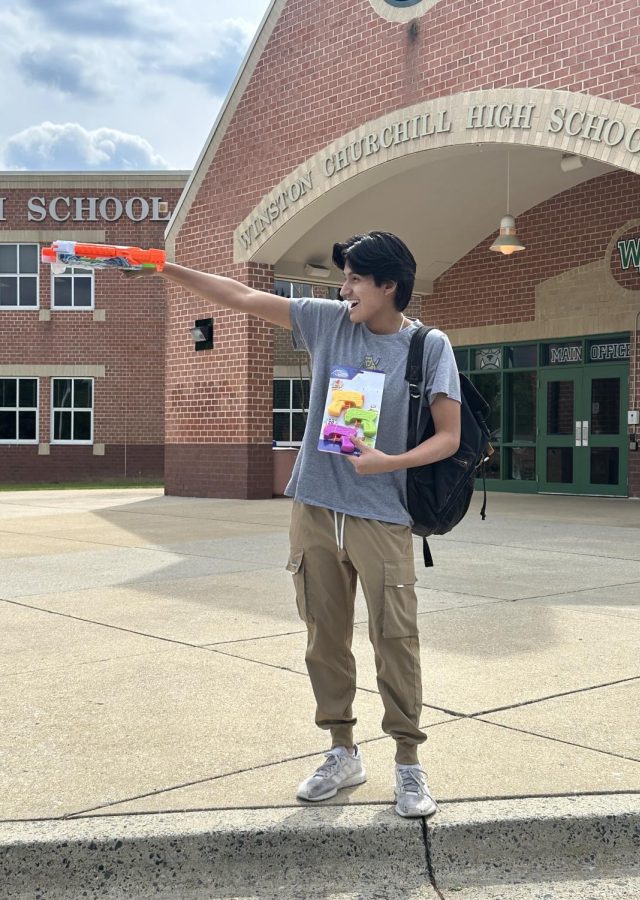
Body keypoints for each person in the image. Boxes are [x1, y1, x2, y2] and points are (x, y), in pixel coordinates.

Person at [129, 231, 461, 817]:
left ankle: (408, 762)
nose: (346, 287)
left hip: (383, 516)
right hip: (313, 508)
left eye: (357, 278)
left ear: (389, 286)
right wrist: (164, 269)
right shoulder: (330, 322)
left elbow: (449, 438)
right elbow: (240, 296)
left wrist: (389, 463)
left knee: (395, 640)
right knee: (323, 640)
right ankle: (342, 751)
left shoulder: (429, 347)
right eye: (346, 277)